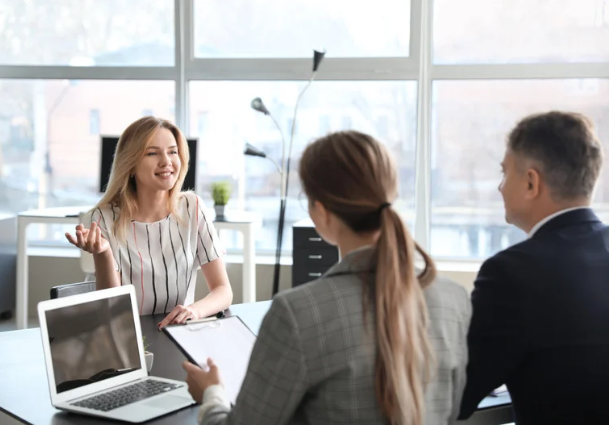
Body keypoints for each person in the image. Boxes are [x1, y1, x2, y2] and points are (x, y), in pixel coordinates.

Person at [183, 131, 471, 425]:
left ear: (319, 210)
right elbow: (452, 411)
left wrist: (213, 395)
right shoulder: (454, 300)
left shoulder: (298, 312)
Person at [459, 111, 608, 424]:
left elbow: (457, 394)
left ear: (531, 182)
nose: (500, 188)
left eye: (504, 173)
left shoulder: (512, 273)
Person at [65, 116, 232, 326]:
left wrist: (193, 311)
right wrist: (103, 253)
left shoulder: (193, 207)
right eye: (152, 153)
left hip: (177, 334)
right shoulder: (102, 219)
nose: (166, 161)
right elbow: (111, 308)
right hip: (125, 338)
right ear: (131, 165)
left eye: (172, 151)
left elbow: (223, 290)